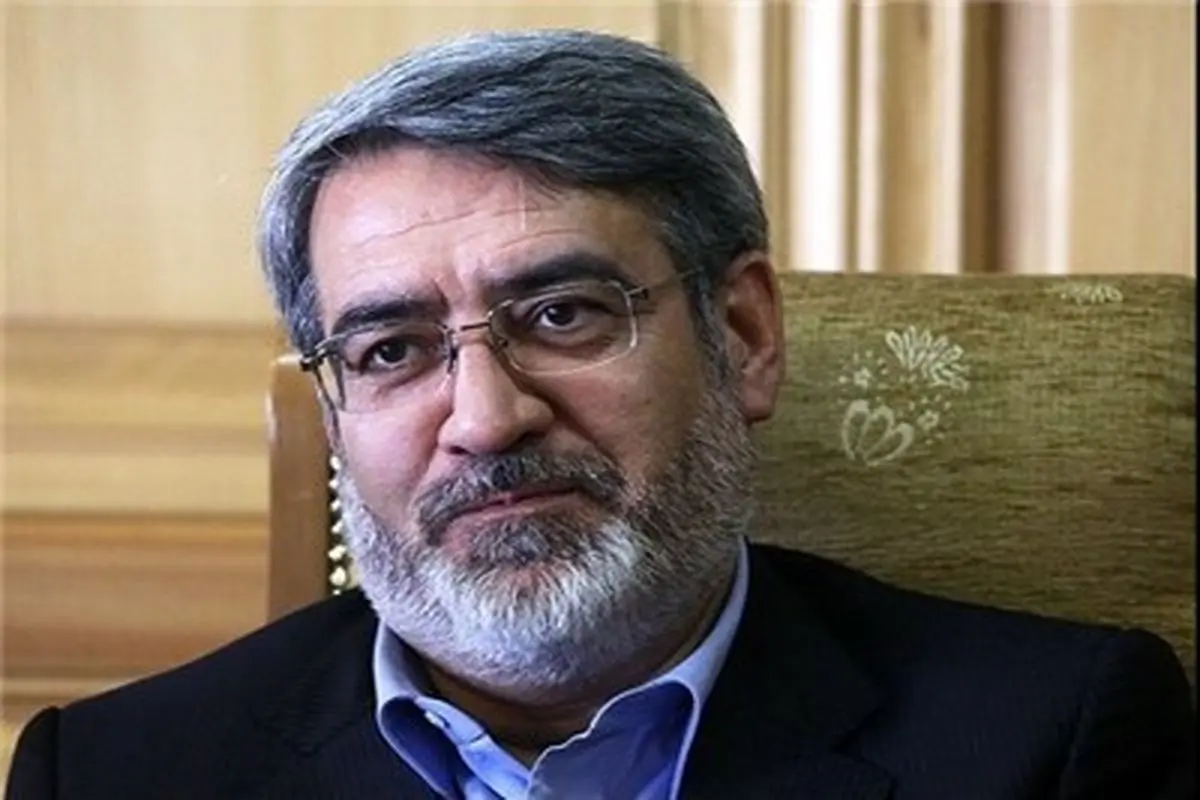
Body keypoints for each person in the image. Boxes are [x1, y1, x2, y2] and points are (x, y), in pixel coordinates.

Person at [6, 28, 1193, 800]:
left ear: (743, 336)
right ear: (334, 405)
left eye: (563, 314)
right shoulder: (117, 773)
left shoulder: (1048, 740)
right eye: (391, 349)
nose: (485, 419)